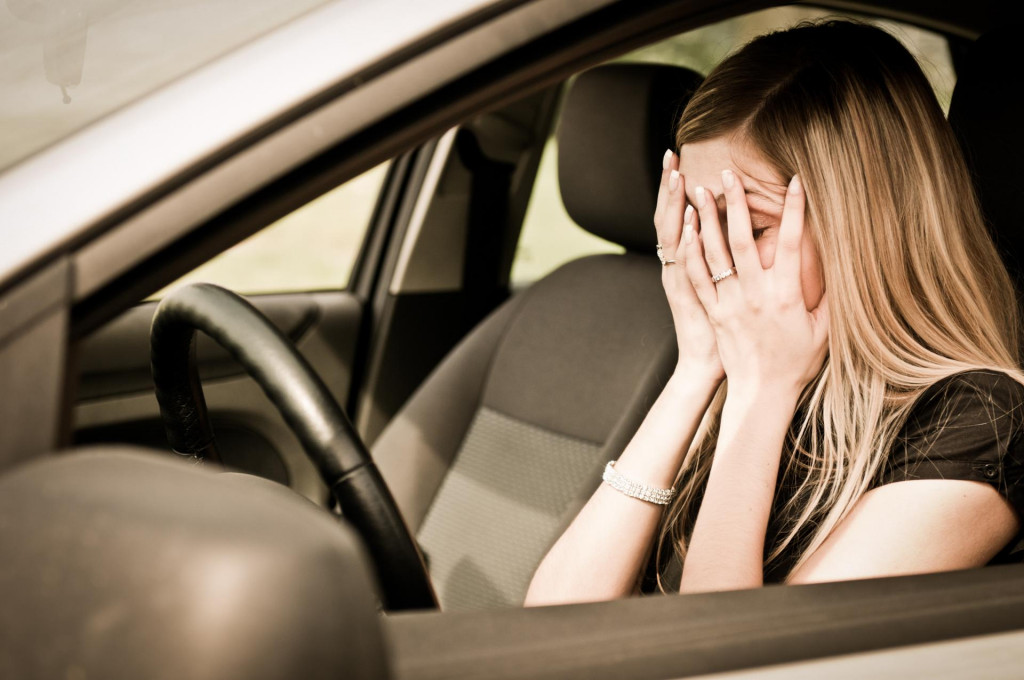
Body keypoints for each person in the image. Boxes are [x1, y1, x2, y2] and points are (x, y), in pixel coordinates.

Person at [524, 19, 1024, 605]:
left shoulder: (981, 420)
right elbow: (554, 617)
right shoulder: (760, 362)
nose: (709, 256)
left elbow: (725, 653)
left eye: (746, 226)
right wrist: (696, 370)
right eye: (694, 219)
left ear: (862, 229)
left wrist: (761, 392)